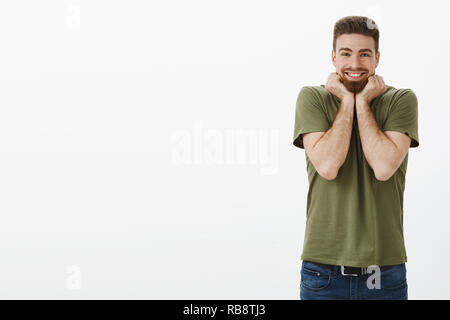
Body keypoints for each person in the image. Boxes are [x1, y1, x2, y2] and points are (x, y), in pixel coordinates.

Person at [293, 16, 419, 300]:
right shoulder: (312, 98)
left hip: (384, 272)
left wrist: (361, 101)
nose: (354, 64)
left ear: (376, 59)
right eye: (346, 53)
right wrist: (347, 101)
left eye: (364, 54)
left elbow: (384, 167)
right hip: (322, 271)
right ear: (333, 57)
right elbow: (327, 166)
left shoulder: (401, 100)